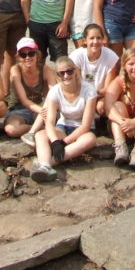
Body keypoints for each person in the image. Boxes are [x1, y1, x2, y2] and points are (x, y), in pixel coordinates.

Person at [30, 55, 99, 183]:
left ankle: (46, 163)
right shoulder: (55, 92)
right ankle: (45, 165)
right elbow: (49, 122)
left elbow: (86, 125)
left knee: (90, 139)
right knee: (40, 135)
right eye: (62, 73)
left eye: (69, 71)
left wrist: (64, 142)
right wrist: (56, 141)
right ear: (58, 75)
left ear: (75, 71)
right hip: (63, 126)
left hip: (82, 131)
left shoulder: (89, 89)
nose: (66, 76)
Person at [3, 36, 55, 142]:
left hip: (39, 108)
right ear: (18, 57)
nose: (27, 57)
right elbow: (24, 100)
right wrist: (42, 111)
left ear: (37, 54)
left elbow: (54, 92)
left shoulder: (45, 69)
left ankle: (33, 131)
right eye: (23, 54)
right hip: (18, 110)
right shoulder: (15, 70)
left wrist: (44, 109)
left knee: (50, 104)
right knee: (11, 130)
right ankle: (42, 129)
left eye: (31, 53)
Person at [70, 23, 119, 115]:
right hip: (81, 94)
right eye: (92, 38)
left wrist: (95, 95)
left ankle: (102, 124)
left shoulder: (111, 56)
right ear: (85, 41)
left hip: (101, 96)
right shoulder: (76, 56)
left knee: (101, 106)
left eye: (99, 38)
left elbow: (107, 88)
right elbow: (76, 84)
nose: (95, 41)